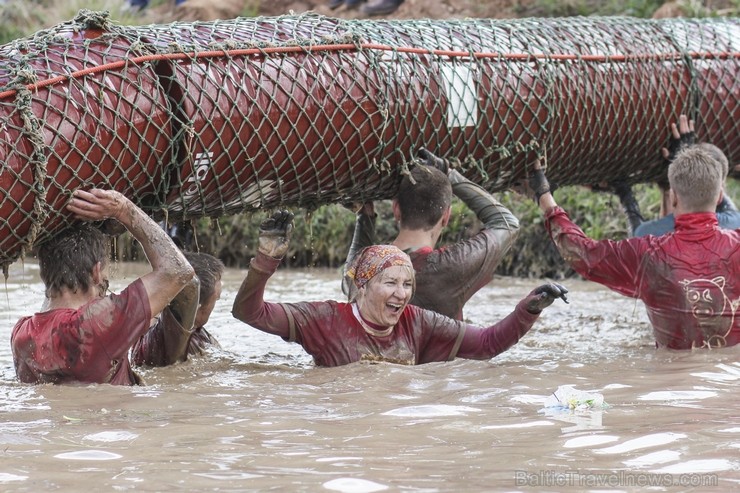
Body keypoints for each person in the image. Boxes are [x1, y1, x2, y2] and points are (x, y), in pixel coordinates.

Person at [232, 211, 568, 367]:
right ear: (361, 285)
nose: (402, 294)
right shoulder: (322, 318)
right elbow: (248, 312)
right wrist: (265, 260)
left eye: (407, 284)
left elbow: (486, 343)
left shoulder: (418, 322)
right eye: (390, 282)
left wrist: (529, 309)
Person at [526, 144, 740, 349]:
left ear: (673, 197)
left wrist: (544, 195)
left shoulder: (647, 254)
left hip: (673, 381)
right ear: (720, 195)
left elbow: (582, 253)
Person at [11, 189, 195, 385]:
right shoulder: (95, 326)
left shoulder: (21, 334)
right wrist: (124, 209)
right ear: (96, 272)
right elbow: (178, 271)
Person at [342, 148, 519, 321]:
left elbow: (349, 277)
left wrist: (365, 216)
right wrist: (449, 173)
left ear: (396, 209)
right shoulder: (452, 267)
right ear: (446, 216)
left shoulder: (366, 269)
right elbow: (507, 224)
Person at [613, 115, 740, 236]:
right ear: (720, 195)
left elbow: (636, 233)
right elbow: (722, 200)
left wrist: (625, 195)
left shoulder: (646, 233)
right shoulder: (735, 226)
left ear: (673, 197)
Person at [132, 252, 225, 367]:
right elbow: (189, 287)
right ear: (199, 305)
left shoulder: (150, 321)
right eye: (216, 298)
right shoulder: (172, 337)